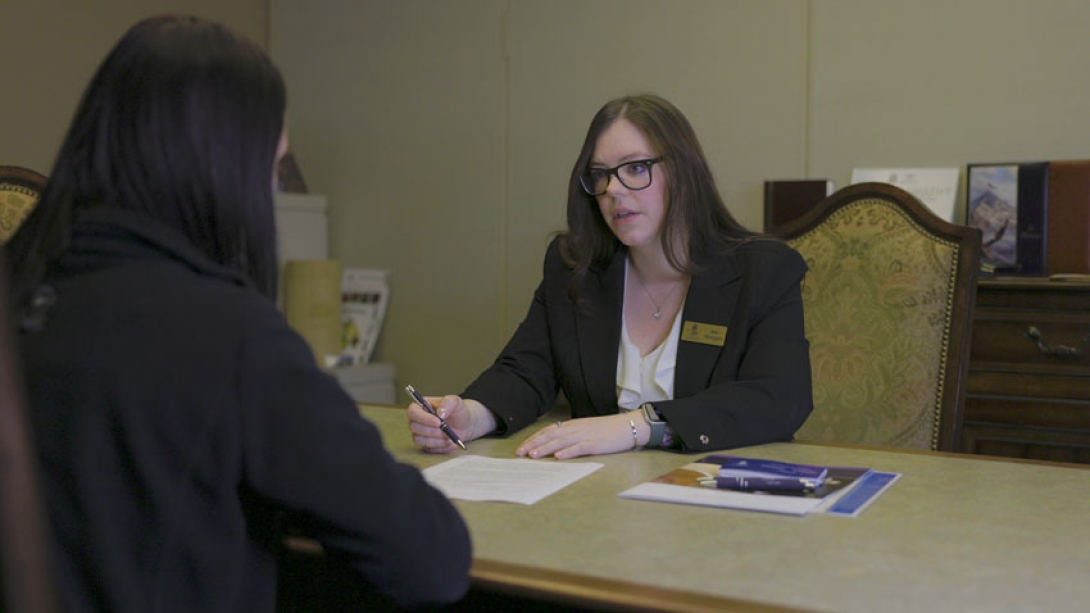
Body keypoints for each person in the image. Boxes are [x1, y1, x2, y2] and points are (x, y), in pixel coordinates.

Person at [6, 15, 470, 612]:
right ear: (224, 170)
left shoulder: (23, 290)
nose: (272, 195)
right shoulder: (227, 335)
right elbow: (431, 557)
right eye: (272, 169)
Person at [408, 94, 813, 460]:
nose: (613, 190)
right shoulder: (575, 266)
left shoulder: (762, 270)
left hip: (718, 500)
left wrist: (634, 426)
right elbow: (525, 370)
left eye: (635, 168)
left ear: (685, 174)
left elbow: (779, 398)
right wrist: (472, 415)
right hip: (600, 500)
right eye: (601, 174)